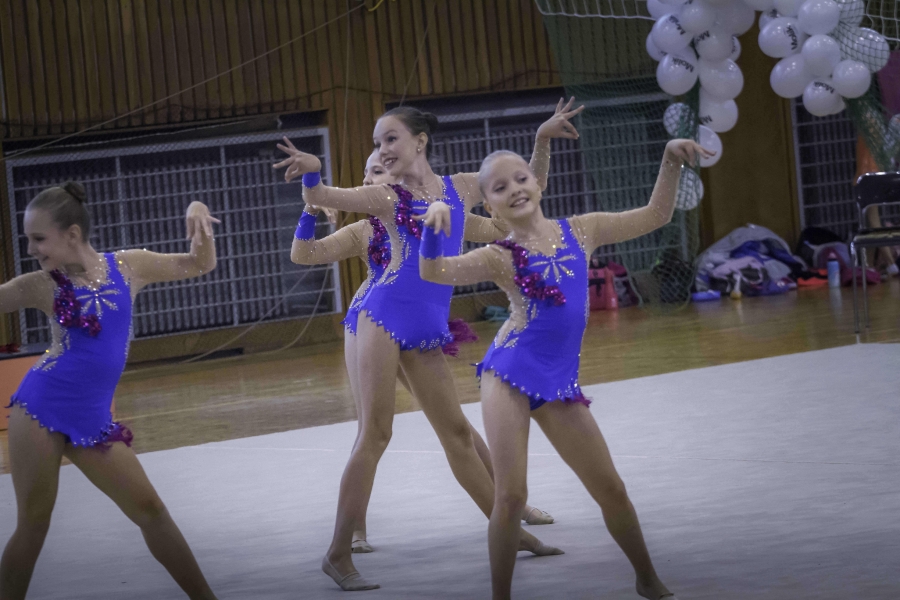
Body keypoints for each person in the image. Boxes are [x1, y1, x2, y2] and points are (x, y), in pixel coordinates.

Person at [274, 100, 583, 591]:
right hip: (383, 315)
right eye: (377, 143)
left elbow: (525, 192)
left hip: (427, 326)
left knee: (458, 434)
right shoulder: (385, 197)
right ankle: (338, 551)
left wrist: (541, 140)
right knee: (375, 434)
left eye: (390, 139)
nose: (382, 150)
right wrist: (312, 176)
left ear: (420, 141)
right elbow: (325, 197)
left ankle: (513, 532)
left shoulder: (461, 188)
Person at [418, 139, 713, 600]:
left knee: (611, 488)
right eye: (500, 187)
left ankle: (647, 579)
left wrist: (671, 160)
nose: (515, 189)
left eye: (521, 178)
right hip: (508, 374)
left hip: (558, 382)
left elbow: (656, 215)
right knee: (511, 496)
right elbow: (434, 271)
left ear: (537, 183)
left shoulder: (582, 229)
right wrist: (434, 227)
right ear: (490, 204)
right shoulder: (499, 254)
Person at [291, 152, 554, 555]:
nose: (371, 180)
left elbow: (499, 227)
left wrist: (508, 201)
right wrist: (311, 208)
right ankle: (355, 529)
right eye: (367, 174)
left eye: (380, 171)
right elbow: (304, 254)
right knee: (370, 430)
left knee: (456, 426)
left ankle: (512, 506)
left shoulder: (439, 212)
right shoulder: (363, 229)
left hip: (416, 324)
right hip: (370, 323)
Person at [0, 182, 220, 600]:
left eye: (38, 238)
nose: (31, 249)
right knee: (34, 524)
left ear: (72, 234)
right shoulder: (41, 284)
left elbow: (199, 264)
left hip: (93, 418)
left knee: (151, 511)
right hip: (41, 408)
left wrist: (198, 212)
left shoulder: (129, 266)